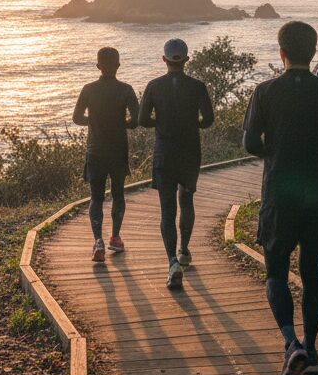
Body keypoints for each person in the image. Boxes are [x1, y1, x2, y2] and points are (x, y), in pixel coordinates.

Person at [244, 22, 318, 375]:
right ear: (314, 53)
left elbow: (250, 143)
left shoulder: (265, 92)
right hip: (317, 193)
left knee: (276, 272)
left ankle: (290, 343)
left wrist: (275, 154)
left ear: (281, 52)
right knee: (312, 273)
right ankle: (311, 348)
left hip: (279, 192)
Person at [138, 38, 214, 289]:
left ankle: (172, 262)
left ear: (164, 60)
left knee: (167, 210)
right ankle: (184, 250)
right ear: (186, 60)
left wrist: (161, 122)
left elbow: (142, 119)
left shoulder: (154, 86)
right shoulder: (197, 87)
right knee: (187, 200)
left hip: (164, 154)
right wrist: (192, 124)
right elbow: (208, 120)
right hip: (190, 153)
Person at [72, 46, 139, 263]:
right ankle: (115, 238)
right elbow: (135, 121)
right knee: (118, 194)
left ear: (98, 66)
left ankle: (98, 241)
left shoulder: (88, 89)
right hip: (118, 150)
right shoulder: (126, 90)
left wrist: (94, 121)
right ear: (118, 65)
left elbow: (77, 118)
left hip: (96, 150)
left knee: (96, 197)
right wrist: (120, 123)